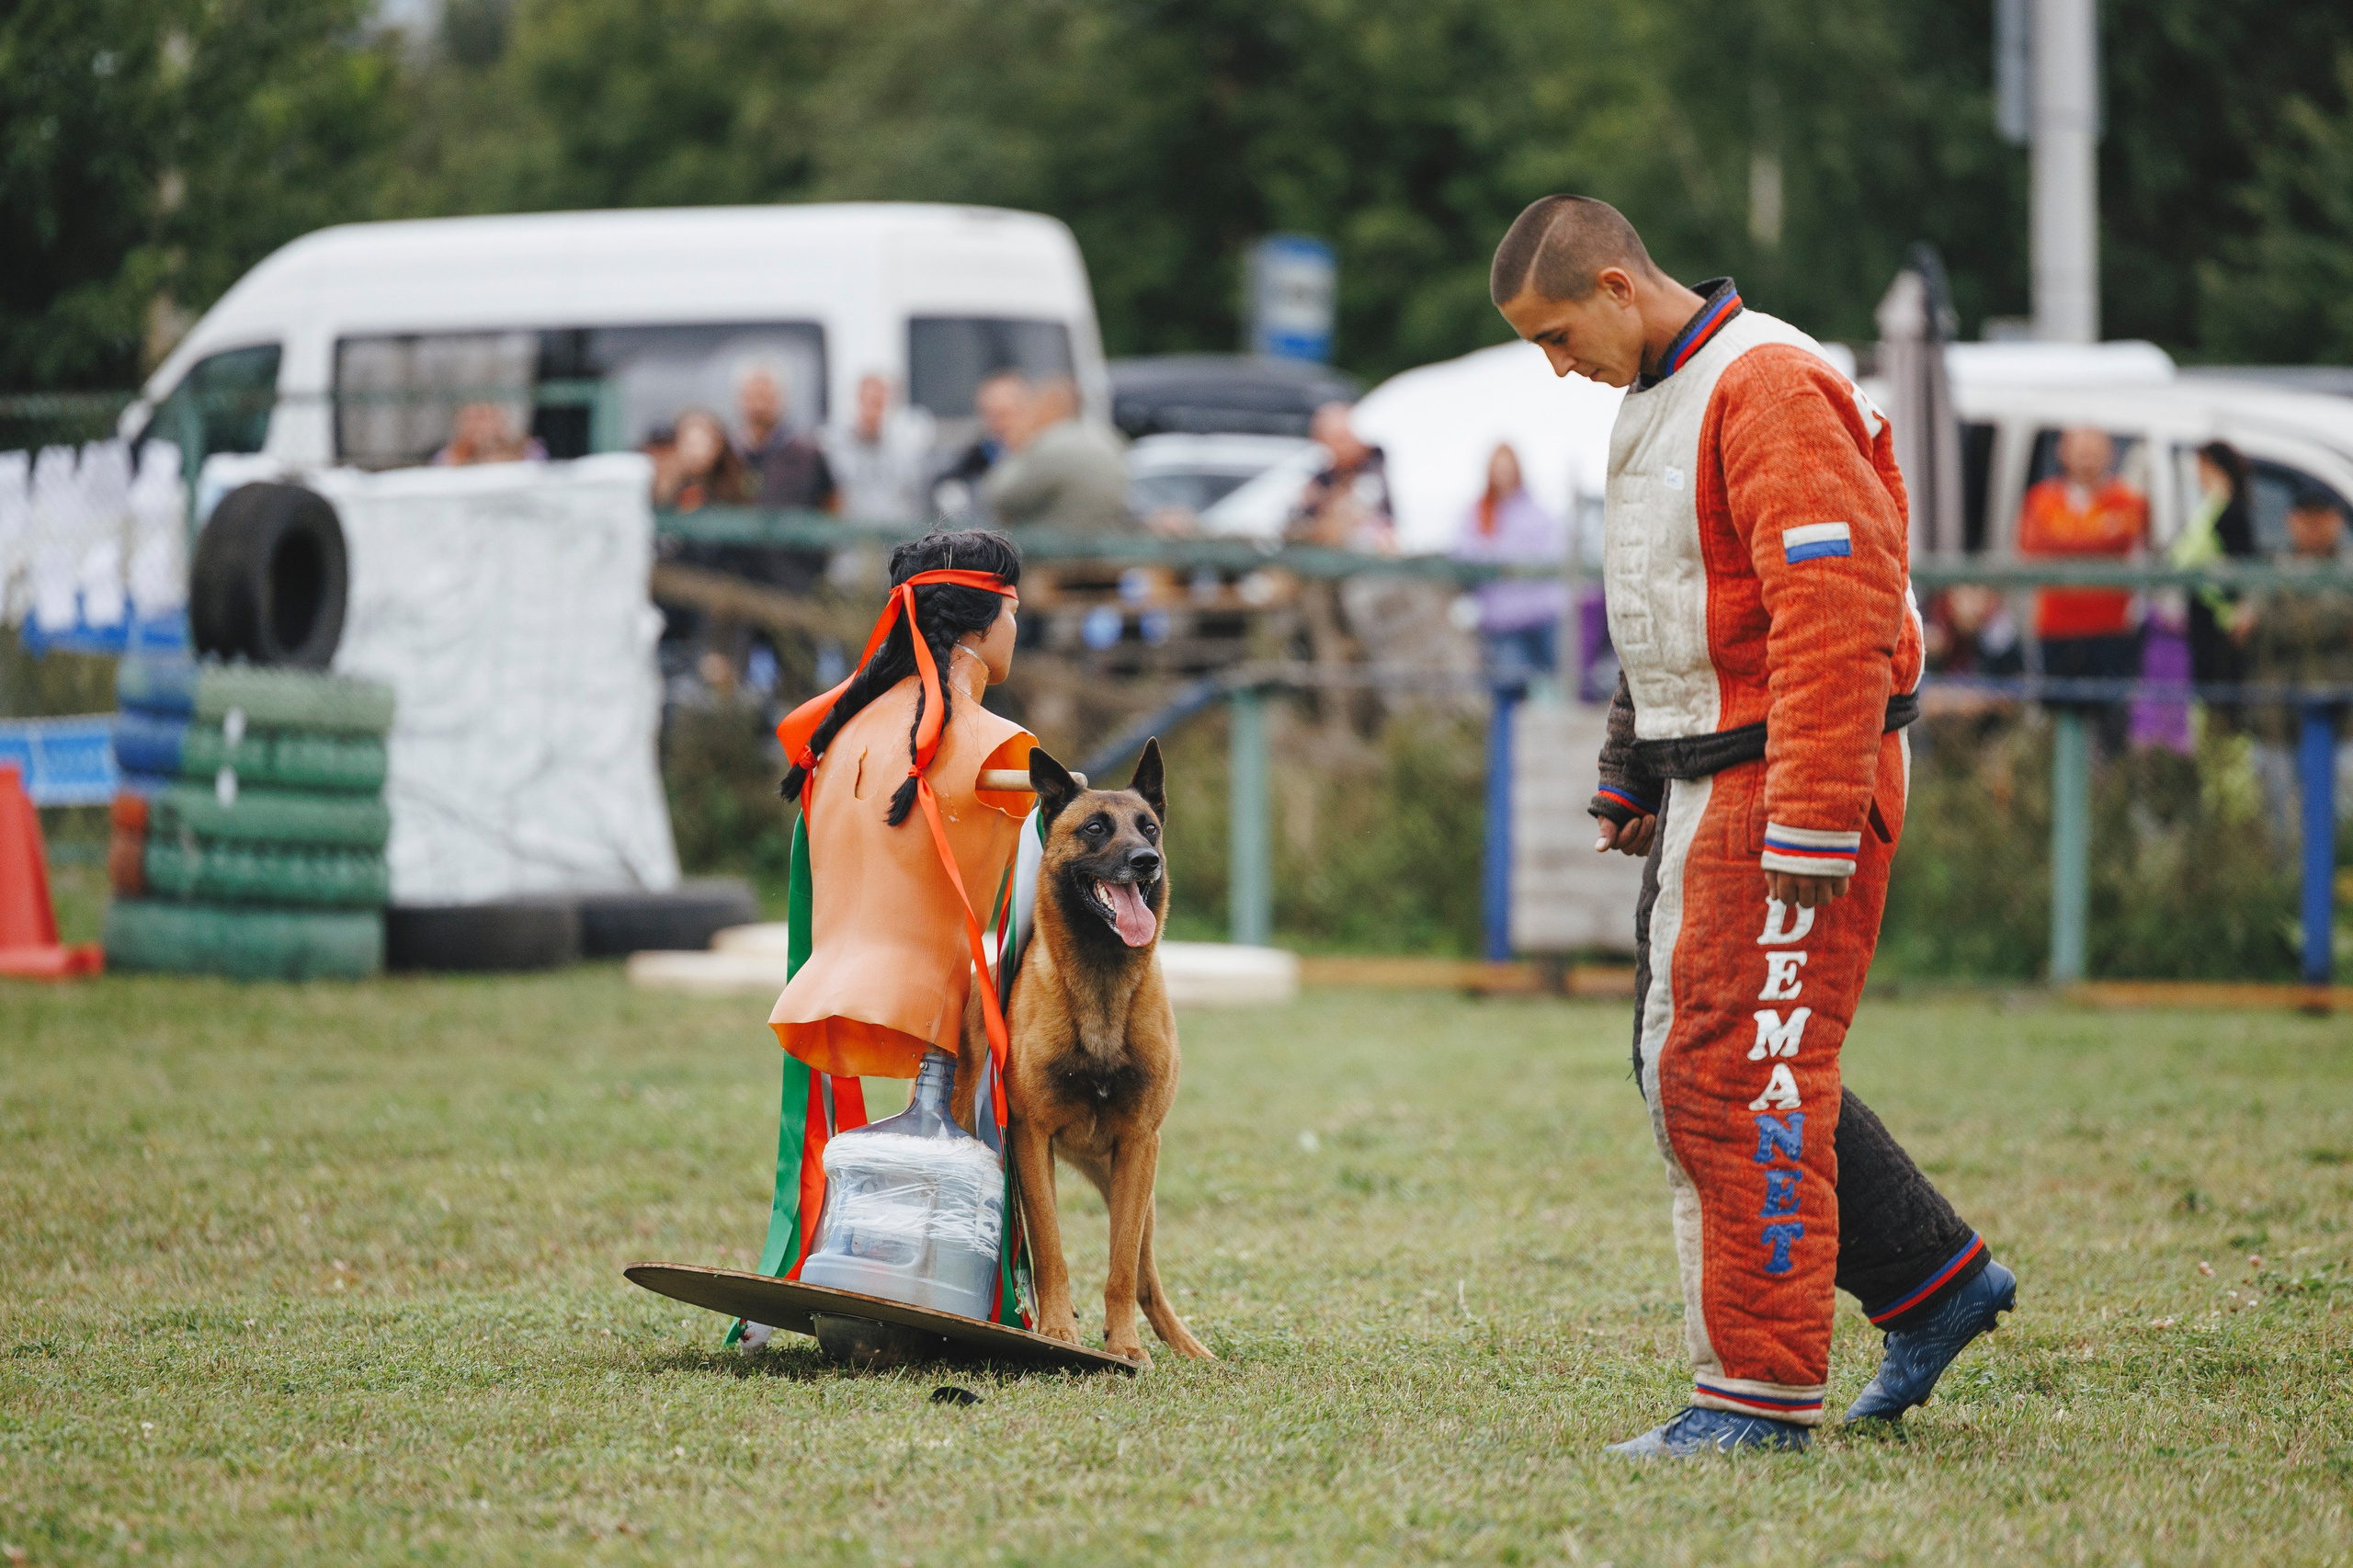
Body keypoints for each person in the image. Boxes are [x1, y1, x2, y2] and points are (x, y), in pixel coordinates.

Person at [1492, 194, 2015, 1458]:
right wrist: (1632, 765)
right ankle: (1936, 1284)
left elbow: (1835, 611)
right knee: (1713, 1059)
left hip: (1786, 778)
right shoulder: (1664, 394)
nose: (1558, 368)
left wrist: (1815, 819)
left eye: (1560, 335)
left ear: (1619, 285)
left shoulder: (1767, 382)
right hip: (1719, 776)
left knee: (1733, 1072)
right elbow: (1669, 603)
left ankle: (1756, 1395)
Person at [733, 532, 1039, 1346]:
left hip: (822, 995)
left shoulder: (829, 735)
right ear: (980, 625)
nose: (1020, 627)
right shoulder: (994, 745)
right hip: (938, 1015)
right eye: (1015, 610)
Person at [2016, 427, 2148, 756]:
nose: (2086, 456)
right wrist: (2095, 537)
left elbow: (2123, 537)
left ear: (2110, 454)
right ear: (2064, 453)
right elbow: (2033, 543)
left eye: (2094, 448)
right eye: (2080, 448)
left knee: (2112, 725)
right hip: (2057, 628)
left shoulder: (2128, 500)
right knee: (2058, 724)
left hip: (2111, 630)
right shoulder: (2041, 498)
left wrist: (2067, 539)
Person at [2238, 486, 2353, 828]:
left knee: (2344, 825)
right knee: (2281, 829)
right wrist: (2333, 620)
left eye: (2322, 518)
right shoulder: (2271, 569)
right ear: (2291, 521)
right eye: (2306, 518)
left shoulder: (2346, 570)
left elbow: (2270, 623)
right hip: (2278, 721)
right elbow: (2242, 628)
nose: (2314, 527)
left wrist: (2282, 618)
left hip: (2345, 724)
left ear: (2337, 522)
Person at [1449, 443, 1567, 690]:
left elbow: (1553, 554)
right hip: (1502, 623)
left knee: (1553, 690)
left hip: (1542, 618)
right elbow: (1463, 555)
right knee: (1507, 693)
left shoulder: (1536, 512)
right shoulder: (1476, 513)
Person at [2171, 440, 2258, 719]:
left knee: (2223, 708)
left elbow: (2242, 565)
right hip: (2204, 621)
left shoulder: (2230, 511)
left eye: (2202, 467)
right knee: (2207, 706)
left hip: (2224, 626)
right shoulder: (2210, 508)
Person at [981, 377, 1132, 531]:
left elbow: (999, 495)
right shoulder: (1102, 437)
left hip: (1062, 548)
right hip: (1103, 543)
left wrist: (1018, 446)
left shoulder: (1050, 446)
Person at [824, 372, 937, 522]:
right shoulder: (835, 449)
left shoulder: (908, 451)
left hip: (898, 536)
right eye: (868, 402)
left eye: (879, 403)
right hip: (854, 538)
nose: (873, 412)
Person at [1289, 402, 1394, 551]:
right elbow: (1295, 525)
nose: (1336, 447)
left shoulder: (1382, 472)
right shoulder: (1322, 480)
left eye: (1342, 438)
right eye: (1328, 440)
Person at [736, 365, 836, 511]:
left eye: (766, 397)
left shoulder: (808, 456)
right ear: (740, 399)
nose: (759, 406)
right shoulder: (729, 455)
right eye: (753, 396)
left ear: (781, 399)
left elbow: (830, 504)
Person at [936, 369, 1032, 515]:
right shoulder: (972, 462)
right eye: (992, 416)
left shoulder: (1043, 455)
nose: (1001, 425)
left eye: (1006, 414)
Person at [651, 409, 756, 511]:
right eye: (689, 444)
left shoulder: (736, 483)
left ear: (718, 445)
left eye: (702, 443)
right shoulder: (665, 484)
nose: (695, 453)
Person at [431, 402, 544, 465]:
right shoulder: (448, 456)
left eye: (484, 417)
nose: (479, 426)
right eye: (471, 419)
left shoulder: (529, 450)